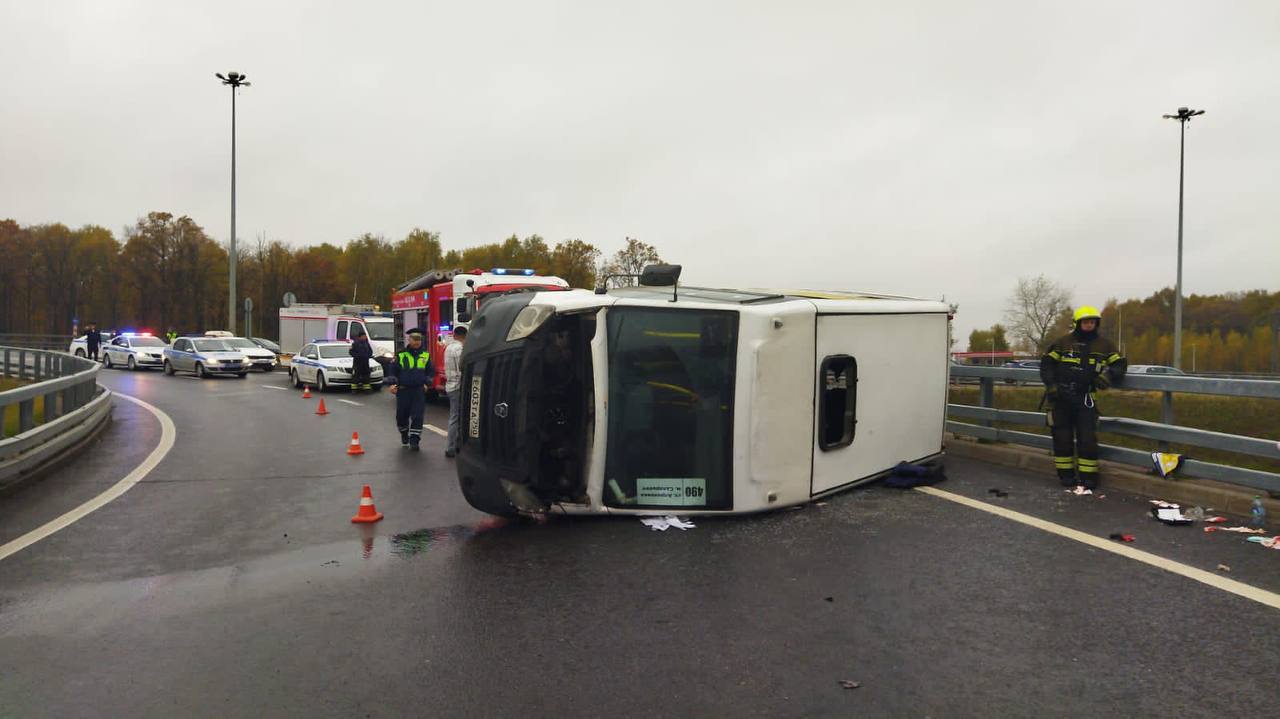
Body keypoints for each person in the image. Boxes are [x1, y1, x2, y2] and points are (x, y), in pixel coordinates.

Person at [1040, 305, 1127, 490]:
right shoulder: (1062, 343)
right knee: (1062, 439)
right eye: (1086, 322)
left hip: (1085, 399)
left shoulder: (1105, 345)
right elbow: (1047, 365)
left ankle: (1089, 478)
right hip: (1060, 399)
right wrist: (1052, 386)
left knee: (1087, 440)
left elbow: (1120, 364)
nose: (1089, 325)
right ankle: (1066, 476)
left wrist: (1108, 376)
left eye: (1092, 322)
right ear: (1077, 323)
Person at [387, 327, 432, 451]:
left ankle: (414, 440)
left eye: (419, 340)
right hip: (403, 390)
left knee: (417, 416)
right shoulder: (401, 355)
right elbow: (392, 370)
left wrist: (427, 383)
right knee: (401, 416)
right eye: (414, 339)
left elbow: (430, 372)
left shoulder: (426, 355)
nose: (417, 342)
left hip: (418, 390)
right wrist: (392, 384)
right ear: (409, 340)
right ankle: (404, 433)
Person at [444, 325, 468, 458]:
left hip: (450, 385)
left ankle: (453, 445)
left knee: (455, 416)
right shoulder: (459, 349)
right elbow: (462, 368)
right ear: (465, 336)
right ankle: (451, 447)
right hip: (458, 386)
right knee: (456, 417)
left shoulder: (448, 347)